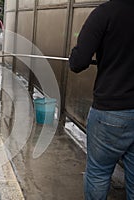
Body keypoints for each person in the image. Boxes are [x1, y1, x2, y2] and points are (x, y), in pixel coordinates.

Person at [69, 0, 134, 199]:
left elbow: (78, 62)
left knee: (98, 172)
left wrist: (76, 55)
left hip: (111, 111)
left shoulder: (105, 13)